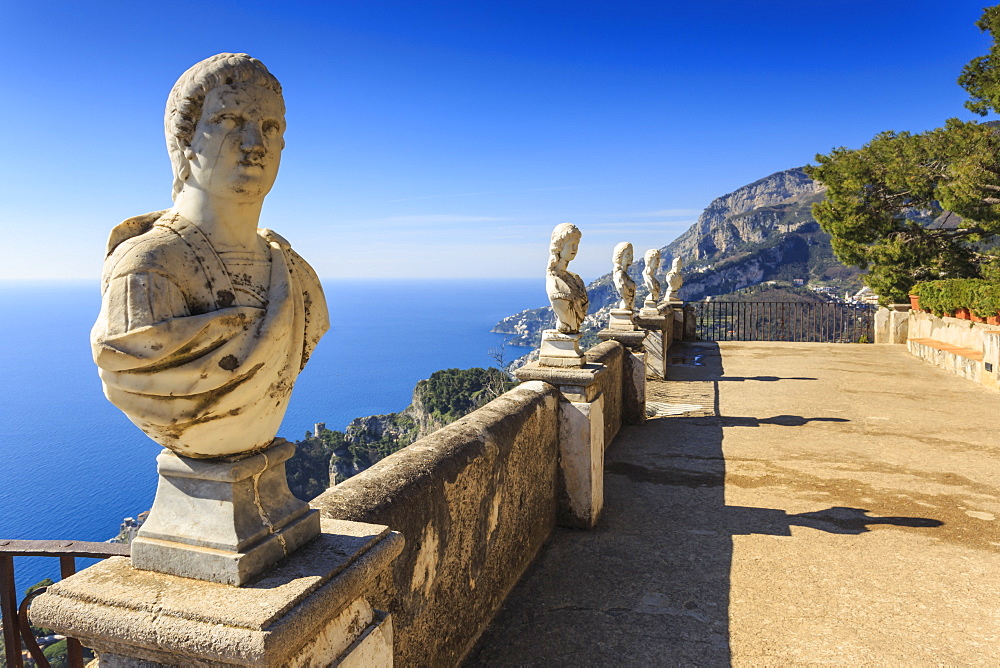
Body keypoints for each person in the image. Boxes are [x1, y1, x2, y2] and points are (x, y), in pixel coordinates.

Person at [91, 53, 329, 459]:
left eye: (269, 128)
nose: (255, 144)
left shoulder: (294, 273)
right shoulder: (148, 269)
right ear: (185, 143)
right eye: (229, 121)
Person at [545, 223, 588, 333]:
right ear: (559, 246)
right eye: (571, 244)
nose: (575, 248)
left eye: (577, 244)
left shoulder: (576, 278)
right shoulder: (555, 283)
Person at [612, 241, 636, 310]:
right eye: (627, 254)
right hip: (625, 305)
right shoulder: (619, 276)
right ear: (620, 257)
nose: (631, 257)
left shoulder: (625, 276)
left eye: (632, 254)